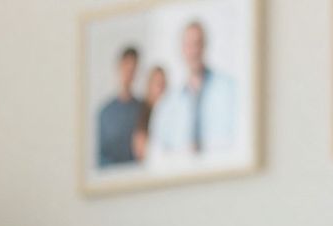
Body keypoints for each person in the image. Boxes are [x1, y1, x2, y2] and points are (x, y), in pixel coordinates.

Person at [150, 19, 237, 156]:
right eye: (189, 45)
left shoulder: (229, 89)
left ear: (205, 46)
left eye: (197, 43)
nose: (194, 51)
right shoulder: (167, 104)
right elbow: (158, 151)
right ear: (182, 49)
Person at [96, 45, 144, 167]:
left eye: (132, 69)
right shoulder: (105, 113)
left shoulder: (143, 109)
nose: (128, 73)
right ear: (118, 67)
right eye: (126, 67)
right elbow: (100, 156)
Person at [133, 64, 169, 162]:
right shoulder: (143, 111)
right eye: (158, 84)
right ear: (150, 86)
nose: (161, 88)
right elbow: (140, 149)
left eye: (163, 84)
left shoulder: (172, 111)